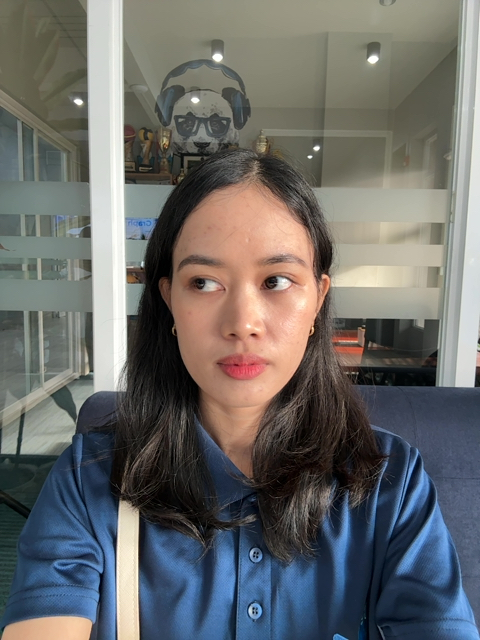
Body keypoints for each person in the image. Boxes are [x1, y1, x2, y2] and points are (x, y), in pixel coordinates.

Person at [1, 149, 478, 640]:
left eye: (276, 280)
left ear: (318, 298)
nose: (242, 323)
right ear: (169, 299)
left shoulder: (389, 483)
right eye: (204, 282)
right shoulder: (90, 480)